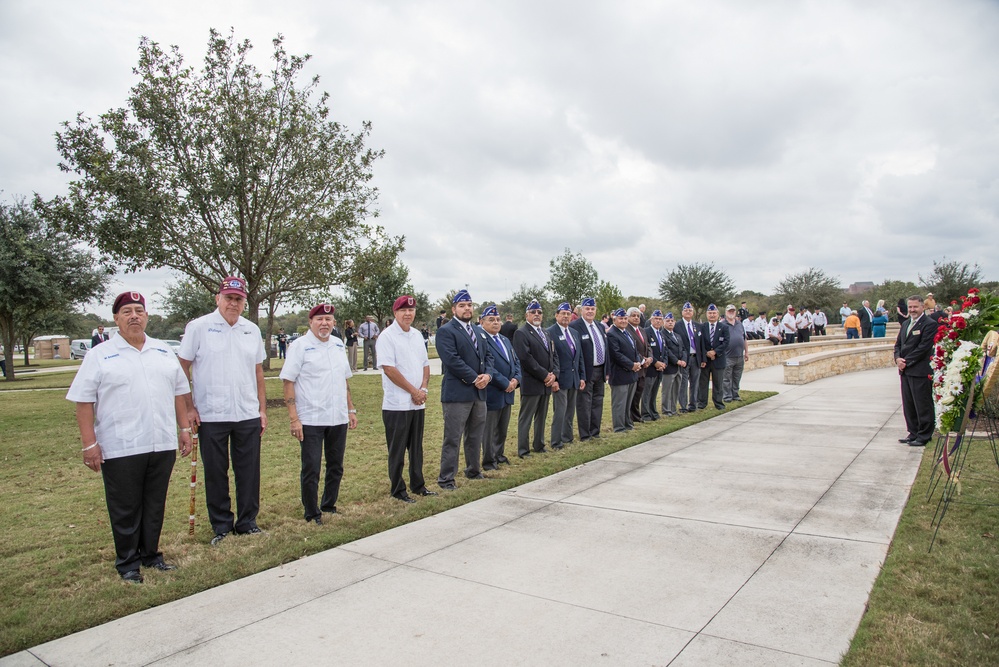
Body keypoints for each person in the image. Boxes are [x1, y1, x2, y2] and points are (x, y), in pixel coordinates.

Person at [67, 291, 193, 583]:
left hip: (161, 442)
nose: (134, 316)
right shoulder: (100, 355)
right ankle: (127, 563)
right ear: (116, 319)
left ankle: (150, 555)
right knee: (125, 507)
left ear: (147, 316)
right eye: (127, 312)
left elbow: (179, 392)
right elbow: (83, 402)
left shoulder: (162, 350)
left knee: (154, 503)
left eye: (139, 310)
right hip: (121, 445)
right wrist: (89, 444)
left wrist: (184, 429)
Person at [178, 276, 267, 545]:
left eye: (238, 299)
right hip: (211, 413)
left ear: (244, 302)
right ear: (218, 298)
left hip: (247, 412)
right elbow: (182, 368)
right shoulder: (199, 327)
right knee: (216, 471)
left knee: (249, 470)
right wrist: (189, 407)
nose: (233, 303)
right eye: (228, 298)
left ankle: (248, 521)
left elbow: (258, 372)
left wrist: (262, 409)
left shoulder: (252, 329)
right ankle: (222, 526)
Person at [280, 304, 357, 525]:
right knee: (311, 467)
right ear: (311, 322)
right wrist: (294, 418)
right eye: (320, 319)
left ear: (334, 323)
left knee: (336, 465)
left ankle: (329, 505)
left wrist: (350, 409)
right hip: (311, 418)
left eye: (329, 319)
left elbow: (344, 379)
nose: (325, 323)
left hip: (337, 416)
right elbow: (288, 382)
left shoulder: (337, 344)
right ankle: (312, 512)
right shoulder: (300, 346)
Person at [377, 295, 436, 503]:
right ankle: (398, 489)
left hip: (418, 403)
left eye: (411, 310)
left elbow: (425, 364)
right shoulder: (387, 336)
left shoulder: (417, 335)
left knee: (417, 448)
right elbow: (389, 370)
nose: (408, 314)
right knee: (398, 449)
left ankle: (418, 485)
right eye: (404, 310)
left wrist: (423, 389)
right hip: (397, 404)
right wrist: (413, 391)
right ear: (395, 313)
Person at [435, 289, 493, 490]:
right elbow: (451, 360)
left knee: (475, 435)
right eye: (462, 305)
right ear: (453, 309)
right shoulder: (446, 331)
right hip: (458, 393)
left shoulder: (478, 331)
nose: (467, 308)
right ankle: (446, 478)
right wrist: (474, 378)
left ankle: (473, 470)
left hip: (479, 393)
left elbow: (489, 357)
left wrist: (488, 375)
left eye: (469, 305)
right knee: (453, 437)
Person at [513, 300, 559, 457]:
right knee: (526, 417)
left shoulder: (546, 332)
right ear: (527, 315)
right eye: (533, 312)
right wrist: (545, 374)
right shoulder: (521, 333)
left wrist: (554, 374)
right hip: (532, 383)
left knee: (542, 416)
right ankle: (523, 450)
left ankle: (539, 445)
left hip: (546, 383)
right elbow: (526, 359)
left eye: (539, 312)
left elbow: (553, 355)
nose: (537, 315)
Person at [894, 295, 939, 447]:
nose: (912, 310)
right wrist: (897, 358)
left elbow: (923, 348)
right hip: (905, 371)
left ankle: (924, 435)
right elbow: (898, 344)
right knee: (909, 404)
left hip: (919, 370)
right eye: (910, 307)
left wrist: (906, 361)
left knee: (922, 403)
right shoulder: (906, 323)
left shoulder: (929, 324)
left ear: (922, 307)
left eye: (915, 307)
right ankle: (913, 433)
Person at [480, 305, 521, 469]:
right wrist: (505, 383)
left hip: (508, 392)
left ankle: (499, 454)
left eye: (498, 319)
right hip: (493, 391)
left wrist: (516, 380)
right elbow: (487, 367)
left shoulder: (504, 339)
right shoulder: (482, 340)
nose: (496, 322)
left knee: (502, 428)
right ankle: (489, 460)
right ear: (482, 322)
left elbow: (516, 361)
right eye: (491, 320)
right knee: (489, 429)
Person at [548, 302, 585, 448]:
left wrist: (582, 376)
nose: (565, 316)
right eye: (562, 313)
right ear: (556, 315)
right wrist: (554, 379)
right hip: (560, 379)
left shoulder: (574, 333)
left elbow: (579, 357)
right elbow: (550, 357)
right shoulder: (550, 332)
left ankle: (567, 437)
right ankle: (556, 441)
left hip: (574, 378)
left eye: (568, 313)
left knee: (570, 411)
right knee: (560, 412)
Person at [570, 296, 607, 440]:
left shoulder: (599, 326)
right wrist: (580, 374)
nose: (590, 311)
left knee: (598, 402)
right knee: (584, 404)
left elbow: (605, 347)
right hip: (586, 371)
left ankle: (595, 432)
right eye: (587, 309)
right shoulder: (575, 326)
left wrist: (606, 370)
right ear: (581, 310)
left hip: (600, 370)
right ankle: (585, 434)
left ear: (596, 310)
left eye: (592, 309)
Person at [606, 308, 641, 431]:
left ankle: (628, 424)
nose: (623, 321)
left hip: (631, 374)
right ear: (614, 319)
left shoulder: (627, 332)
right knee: (619, 404)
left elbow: (634, 350)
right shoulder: (612, 334)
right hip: (620, 374)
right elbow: (616, 354)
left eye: (625, 318)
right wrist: (631, 365)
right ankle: (619, 427)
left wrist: (637, 362)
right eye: (621, 318)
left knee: (628, 402)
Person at [697, 304, 729, 410]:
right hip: (705, 360)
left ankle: (718, 403)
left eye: (714, 313)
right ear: (706, 314)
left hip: (718, 359)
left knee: (718, 383)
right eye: (710, 313)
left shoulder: (724, 327)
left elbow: (726, 342)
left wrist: (715, 352)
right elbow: (699, 343)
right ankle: (702, 403)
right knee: (703, 383)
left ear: (718, 314)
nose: (712, 315)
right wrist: (706, 353)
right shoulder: (702, 327)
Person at [626, 307, 652, 422]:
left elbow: (648, 346)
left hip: (644, 368)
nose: (636, 318)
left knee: (638, 393)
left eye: (638, 316)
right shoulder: (626, 330)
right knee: (631, 395)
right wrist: (642, 360)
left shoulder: (642, 330)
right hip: (634, 366)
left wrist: (650, 358)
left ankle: (636, 416)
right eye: (633, 316)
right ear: (628, 317)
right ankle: (630, 417)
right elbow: (631, 349)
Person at [675, 302, 703, 413]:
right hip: (684, 359)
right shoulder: (677, 326)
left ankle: (693, 404)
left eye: (690, 310)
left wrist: (702, 359)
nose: (688, 312)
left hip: (696, 358)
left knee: (695, 383)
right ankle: (683, 406)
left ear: (693, 312)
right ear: (682, 312)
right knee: (683, 382)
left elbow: (701, 344)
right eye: (686, 310)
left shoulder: (697, 326)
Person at [642, 309, 667, 421]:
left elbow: (664, 350)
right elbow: (647, 351)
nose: (658, 321)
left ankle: (653, 412)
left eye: (660, 319)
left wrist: (663, 363)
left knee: (654, 392)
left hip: (659, 368)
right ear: (651, 320)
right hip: (650, 368)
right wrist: (655, 362)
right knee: (646, 393)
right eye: (656, 319)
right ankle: (645, 414)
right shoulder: (646, 332)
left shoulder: (661, 333)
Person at [659, 312, 686, 416]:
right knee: (667, 390)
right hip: (670, 367)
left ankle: (673, 409)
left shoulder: (677, 335)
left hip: (679, 368)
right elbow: (667, 350)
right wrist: (676, 361)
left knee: (676, 390)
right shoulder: (662, 334)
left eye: (672, 321)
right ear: (663, 322)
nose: (670, 323)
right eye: (667, 321)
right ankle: (666, 410)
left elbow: (683, 349)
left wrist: (683, 360)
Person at [722, 305, 748, 402]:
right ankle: (727, 396)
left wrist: (747, 352)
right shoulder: (722, 324)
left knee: (737, 377)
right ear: (726, 312)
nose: (731, 313)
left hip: (739, 356)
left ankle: (735, 395)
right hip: (727, 356)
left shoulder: (739, 324)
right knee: (726, 378)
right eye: (729, 311)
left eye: (733, 311)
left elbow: (744, 338)